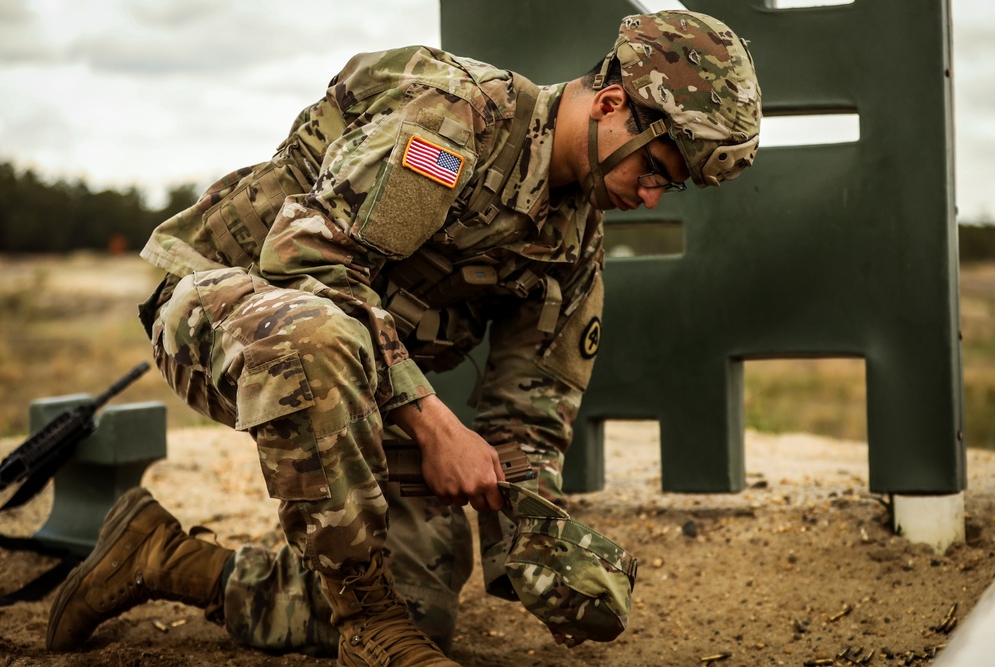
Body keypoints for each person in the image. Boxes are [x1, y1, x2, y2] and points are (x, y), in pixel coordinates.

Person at [46, 9, 760, 665]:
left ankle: (161, 557)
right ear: (611, 106)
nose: (651, 196)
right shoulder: (455, 122)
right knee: (318, 337)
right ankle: (368, 620)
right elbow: (308, 263)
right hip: (230, 310)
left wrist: (538, 543)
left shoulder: (573, 245)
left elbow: (528, 415)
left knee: (424, 606)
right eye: (656, 169)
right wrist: (432, 420)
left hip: (361, 382)